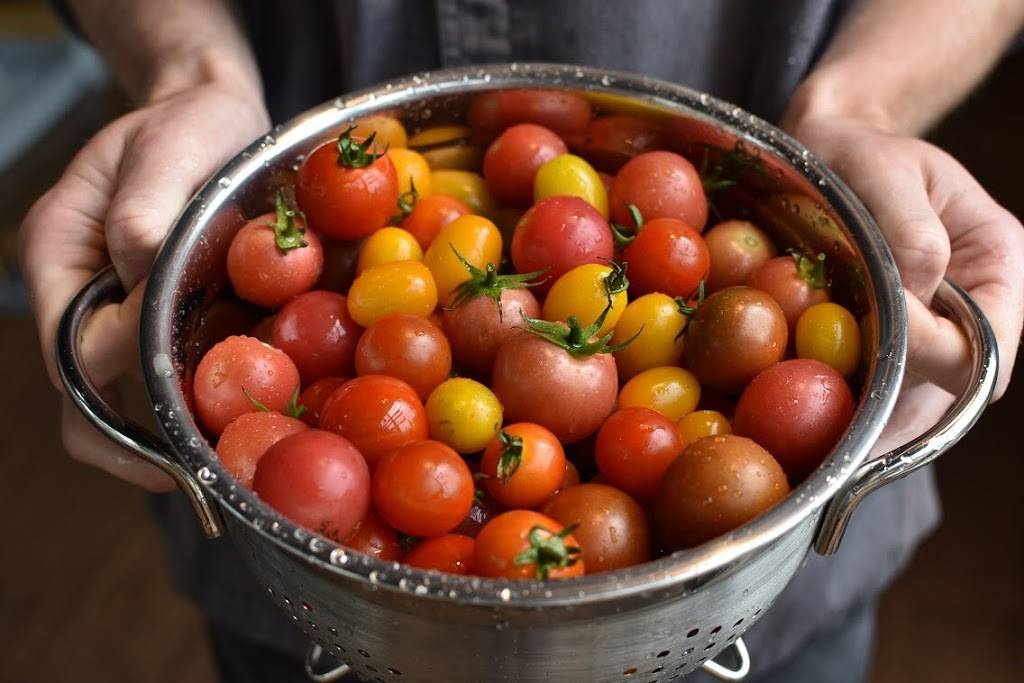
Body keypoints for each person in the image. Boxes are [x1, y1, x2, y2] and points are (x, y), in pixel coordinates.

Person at [20, 1, 1024, 681]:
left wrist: (860, 103)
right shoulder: (409, 322)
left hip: (771, 594)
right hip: (309, 600)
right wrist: (187, 65)